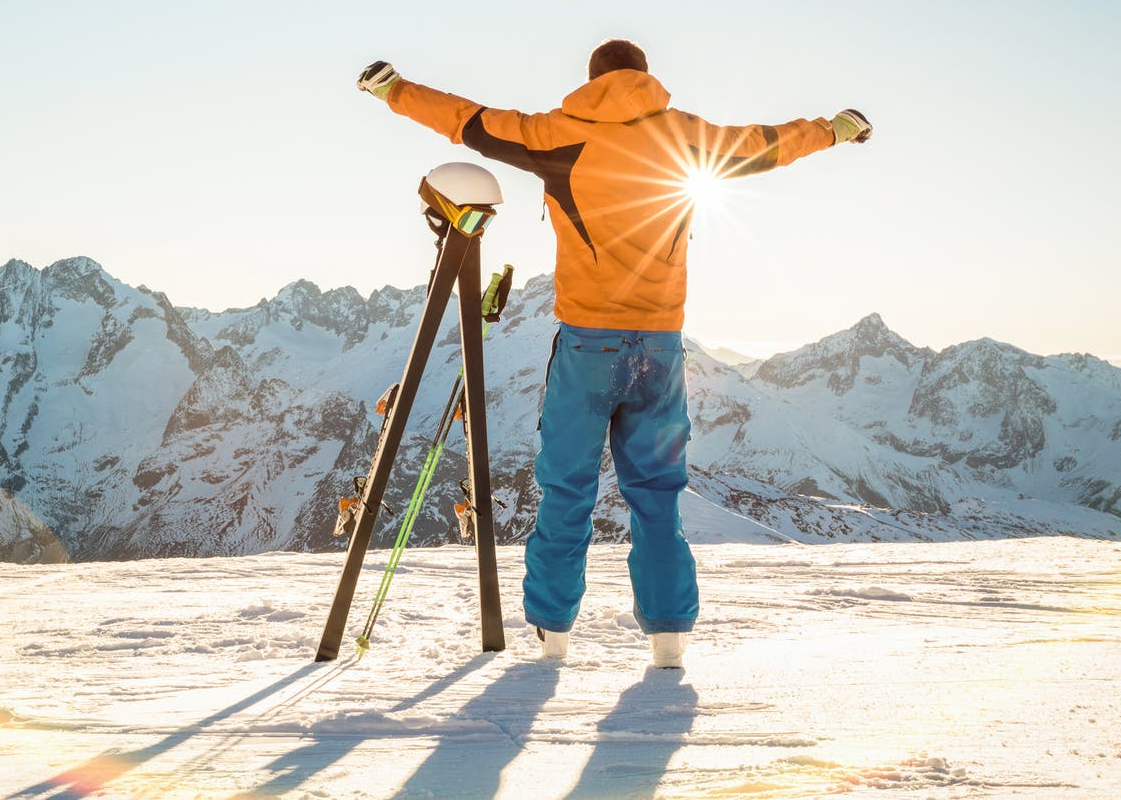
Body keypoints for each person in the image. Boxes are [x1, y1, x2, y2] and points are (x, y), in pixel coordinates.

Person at [356, 40, 870, 665]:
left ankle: (553, 635)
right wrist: (836, 131)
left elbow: (468, 121)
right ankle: (669, 638)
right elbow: (772, 143)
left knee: (567, 488)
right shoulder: (686, 137)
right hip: (661, 346)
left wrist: (392, 90)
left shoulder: (556, 133)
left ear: (592, 79)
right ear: (646, 79)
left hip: (586, 346)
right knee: (657, 495)